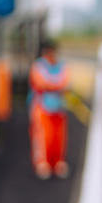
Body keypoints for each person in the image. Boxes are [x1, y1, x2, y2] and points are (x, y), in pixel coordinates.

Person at [28, 38, 70, 180]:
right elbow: (40, 83)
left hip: (59, 107)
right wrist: (57, 86)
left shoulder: (62, 65)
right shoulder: (38, 66)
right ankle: (42, 163)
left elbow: (66, 82)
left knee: (58, 137)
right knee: (42, 136)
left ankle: (57, 162)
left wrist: (52, 85)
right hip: (42, 107)